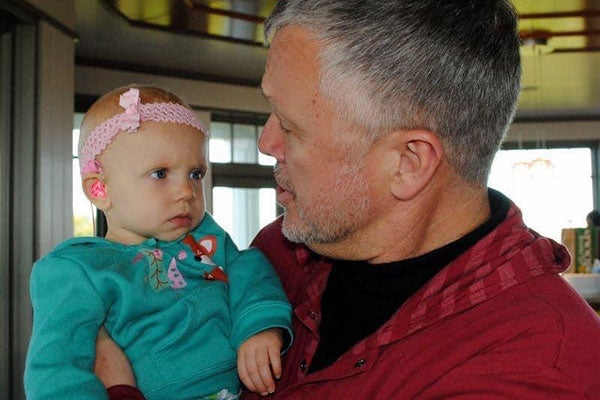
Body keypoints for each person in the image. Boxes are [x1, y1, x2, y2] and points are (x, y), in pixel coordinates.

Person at [98, 1, 600, 399]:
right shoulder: (279, 252)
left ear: (408, 162)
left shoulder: (537, 366)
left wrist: (119, 387)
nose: (266, 142)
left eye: (291, 127)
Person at [24, 85, 292, 400]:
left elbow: (249, 269)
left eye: (195, 174)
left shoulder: (204, 239)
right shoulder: (79, 270)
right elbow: (57, 372)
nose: (186, 192)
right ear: (100, 189)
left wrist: (259, 327)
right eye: (160, 173)